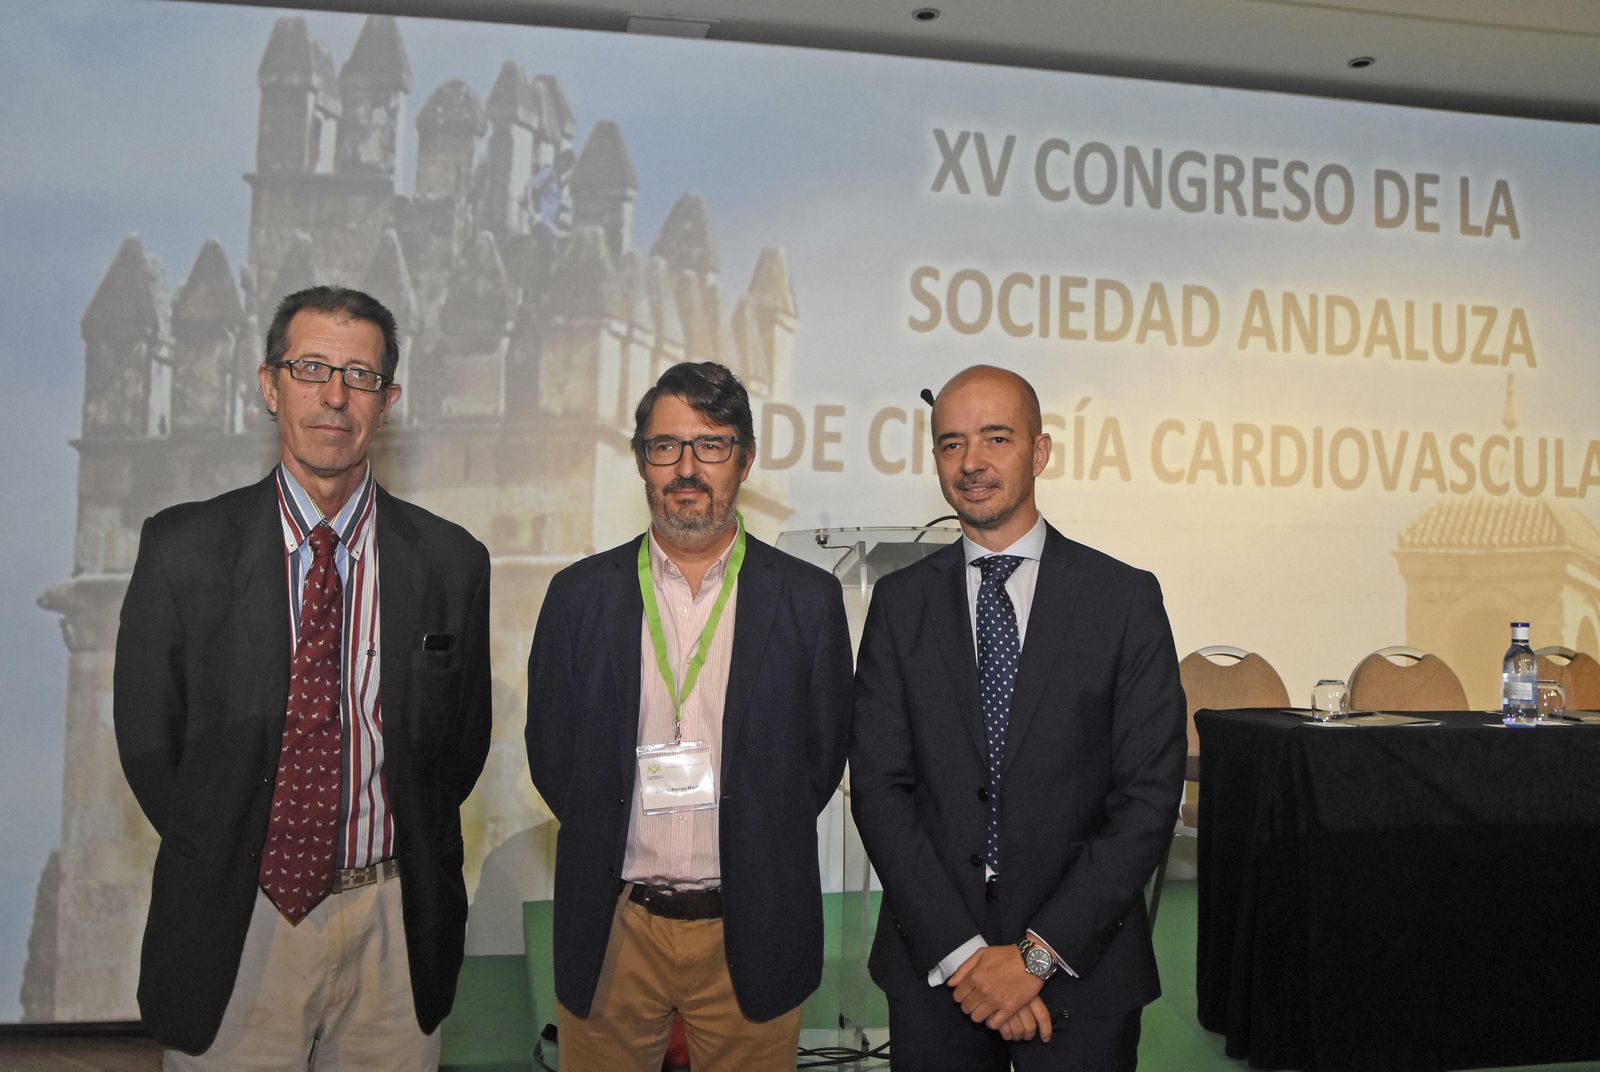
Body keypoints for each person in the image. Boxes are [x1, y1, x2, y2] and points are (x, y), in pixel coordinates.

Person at [114, 285, 492, 1068]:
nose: (333, 396)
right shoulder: (182, 550)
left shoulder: (452, 561)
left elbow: (459, 746)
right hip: (238, 922)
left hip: (394, 924)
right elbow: (151, 742)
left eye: (359, 376)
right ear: (268, 383)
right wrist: (228, 845)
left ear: (388, 401)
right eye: (312, 367)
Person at [850, 364, 1184, 1071]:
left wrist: (1035, 958)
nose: (971, 462)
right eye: (950, 444)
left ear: (1040, 452)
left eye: (995, 438)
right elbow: (880, 790)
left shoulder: (1123, 601)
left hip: (1085, 965)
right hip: (936, 968)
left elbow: (1148, 799)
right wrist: (969, 958)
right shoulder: (898, 605)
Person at [525, 361, 853, 1072]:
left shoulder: (809, 600)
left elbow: (821, 761)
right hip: (616, 924)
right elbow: (552, 755)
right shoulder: (577, 597)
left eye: (711, 445)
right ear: (641, 461)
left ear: (745, 460)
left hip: (753, 922)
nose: (687, 467)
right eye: (666, 446)